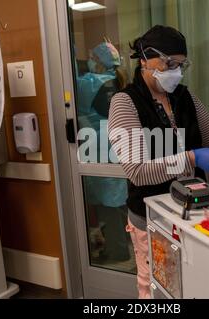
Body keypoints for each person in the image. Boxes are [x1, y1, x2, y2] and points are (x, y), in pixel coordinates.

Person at [108, 25, 209, 298]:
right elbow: (137, 171)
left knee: (194, 288)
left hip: (195, 214)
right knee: (157, 287)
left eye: (180, 64)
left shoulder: (186, 98)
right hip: (151, 216)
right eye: (168, 63)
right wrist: (191, 158)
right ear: (144, 59)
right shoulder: (125, 103)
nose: (174, 71)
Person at [76, 41, 131, 262]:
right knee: (118, 199)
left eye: (92, 57)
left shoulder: (90, 82)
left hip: (98, 144)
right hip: (117, 140)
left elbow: (73, 98)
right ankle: (123, 242)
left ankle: (117, 251)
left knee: (108, 201)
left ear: (98, 61)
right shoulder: (119, 79)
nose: (90, 60)